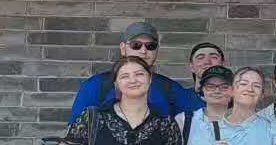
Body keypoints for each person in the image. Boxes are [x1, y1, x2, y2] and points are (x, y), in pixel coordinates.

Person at [65, 56, 184, 145]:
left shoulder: (165, 122)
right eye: (125, 76)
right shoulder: (92, 117)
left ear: (150, 79)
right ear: (116, 83)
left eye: (139, 74)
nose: (133, 80)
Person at [68, 20, 200, 121]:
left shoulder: (170, 88)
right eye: (136, 45)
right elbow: (75, 133)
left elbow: (201, 117)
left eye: (150, 46)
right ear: (123, 48)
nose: (143, 50)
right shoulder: (96, 85)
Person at [185, 65, 276, 145]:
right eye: (243, 84)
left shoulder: (274, 131)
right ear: (231, 90)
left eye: (256, 86)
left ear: (262, 94)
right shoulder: (209, 129)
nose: (250, 89)